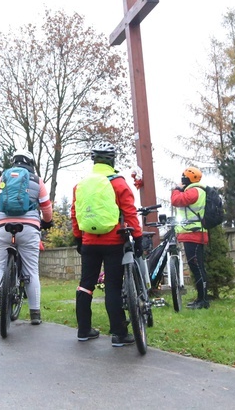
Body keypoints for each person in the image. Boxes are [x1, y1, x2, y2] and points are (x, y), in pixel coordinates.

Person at [71, 142, 143, 346]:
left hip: (89, 242)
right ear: (112, 160)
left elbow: (75, 214)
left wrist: (78, 237)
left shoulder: (81, 185)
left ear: (94, 161)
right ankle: (119, 334)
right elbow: (129, 212)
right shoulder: (119, 183)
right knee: (113, 286)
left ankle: (83, 330)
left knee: (85, 285)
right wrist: (137, 238)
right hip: (114, 241)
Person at [0, 150, 53, 325]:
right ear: (31, 163)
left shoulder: (3, 179)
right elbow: (46, 208)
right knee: (31, 270)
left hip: (3, 227)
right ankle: (35, 313)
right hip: (29, 228)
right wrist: (47, 221)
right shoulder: (37, 181)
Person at [170, 166, 210, 309]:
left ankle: (203, 300)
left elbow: (177, 200)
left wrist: (176, 189)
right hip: (192, 233)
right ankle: (201, 298)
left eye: (183, 177)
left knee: (197, 267)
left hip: (194, 233)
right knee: (196, 267)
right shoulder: (196, 190)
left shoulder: (195, 191)